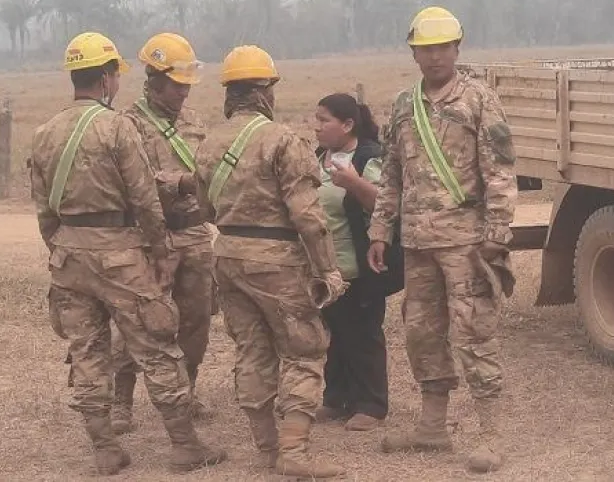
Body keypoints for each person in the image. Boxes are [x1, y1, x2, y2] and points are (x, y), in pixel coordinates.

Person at [29, 31, 227, 475]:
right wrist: (158, 252)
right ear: (107, 78)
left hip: (69, 254)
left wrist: (59, 250)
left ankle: (104, 448)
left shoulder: (45, 132)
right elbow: (144, 200)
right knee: (157, 344)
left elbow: (44, 208)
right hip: (120, 253)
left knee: (86, 350)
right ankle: (183, 444)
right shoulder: (119, 126)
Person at [366, 7, 518, 474]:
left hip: (467, 242)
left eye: (441, 48)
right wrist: (379, 229)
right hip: (416, 241)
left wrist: (496, 233)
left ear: (457, 48)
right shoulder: (402, 105)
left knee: (475, 333)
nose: (433, 57)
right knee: (421, 333)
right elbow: (391, 172)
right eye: (425, 49)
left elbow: (499, 169)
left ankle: (490, 435)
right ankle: (433, 428)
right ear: (413, 52)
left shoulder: (478, 99)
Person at [193, 45, 348, 478]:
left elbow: (203, 210)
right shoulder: (283, 140)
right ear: (265, 91)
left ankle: (265, 449)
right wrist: (328, 271)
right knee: (303, 351)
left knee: (252, 352)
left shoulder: (209, 143)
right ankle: (293, 452)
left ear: (230, 92)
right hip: (278, 261)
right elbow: (308, 217)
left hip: (228, 256)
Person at [109, 32, 216, 434]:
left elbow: (207, 175)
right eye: (176, 84)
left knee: (196, 321)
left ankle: (186, 392)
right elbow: (127, 184)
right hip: (148, 238)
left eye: (188, 84)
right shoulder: (127, 125)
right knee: (138, 321)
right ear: (153, 80)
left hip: (194, 236)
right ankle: (122, 401)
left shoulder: (196, 123)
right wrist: (175, 184)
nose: (183, 93)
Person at [312, 93, 401, 432]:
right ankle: (336, 399)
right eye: (316, 119)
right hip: (327, 267)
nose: (317, 126)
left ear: (348, 125)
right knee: (335, 334)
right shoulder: (320, 157)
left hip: (363, 264)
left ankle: (372, 404)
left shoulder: (367, 158)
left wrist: (353, 183)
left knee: (363, 333)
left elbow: (386, 203)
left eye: (325, 120)